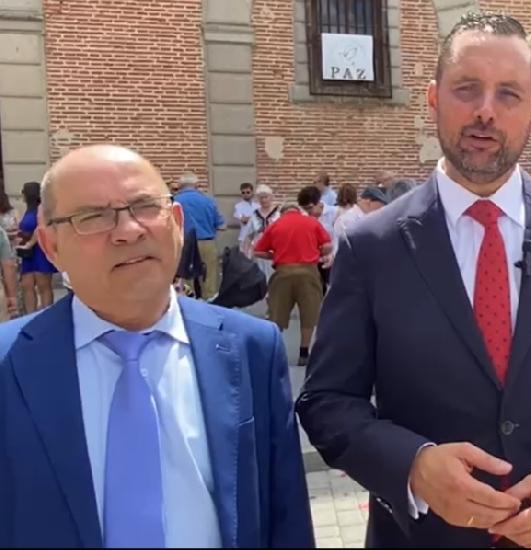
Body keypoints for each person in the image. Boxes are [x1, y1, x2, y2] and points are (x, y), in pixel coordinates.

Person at [297, 12, 531, 548]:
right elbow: (327, 400)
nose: (485, 111)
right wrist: (414, 468)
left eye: (509, 94)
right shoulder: (371, 246)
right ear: (433, 98)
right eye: (466, 89)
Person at [0, 145, 313, 547]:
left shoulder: (251, 348)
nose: (129, 230)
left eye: (145, 206)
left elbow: (284, 516)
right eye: (93, 216)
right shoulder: (12, 364)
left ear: (177, 224)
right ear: (50, 244)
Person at [254, 186, 332, 367]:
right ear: (298, 210)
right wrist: (317, 252)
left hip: (283, 272)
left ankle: (274, 351)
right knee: (309, 314)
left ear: (282, 213)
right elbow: (327, 245)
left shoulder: (276, 225)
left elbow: (258, 251)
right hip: (308, 272)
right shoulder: (312, 223)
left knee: (277, 313)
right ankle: (304, 352)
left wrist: (274, 255)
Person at [173, 173, 226, 299]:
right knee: (210, 280)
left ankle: (188, 307)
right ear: (197, 185)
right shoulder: (208, 201)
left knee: (185, 280)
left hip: (184, 243)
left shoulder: (175, 201)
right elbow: (222, 226)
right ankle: (210, 305)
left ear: (180, 185)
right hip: (207, 243)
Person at [17, 181, 58, 314]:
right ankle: (31, 315)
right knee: (26, 285)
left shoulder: (41, 209)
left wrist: (30, 243)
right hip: (28, 252)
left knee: (43, 285)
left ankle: (47, 313)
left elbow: (40, 228)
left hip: (39, 249)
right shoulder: (27, 210)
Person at [240, 183, 282, 280]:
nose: (263, 200)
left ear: (271, 197)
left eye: (266, 197)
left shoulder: (278, 214)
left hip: (275, 252)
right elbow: (248, 236)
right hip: (259, 253)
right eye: (261, 198)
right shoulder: (255, 215)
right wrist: (246, 255)